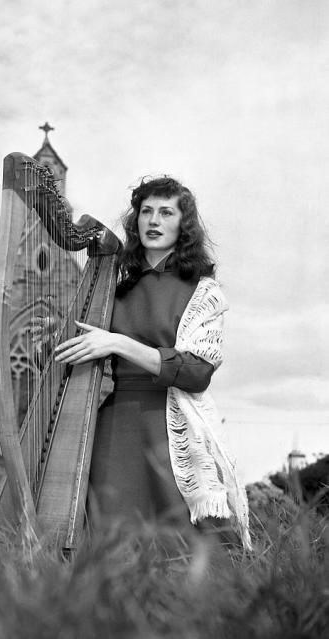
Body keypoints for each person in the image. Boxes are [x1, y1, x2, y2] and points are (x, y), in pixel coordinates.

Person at [55, 175, 251, 550]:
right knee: (113, 541)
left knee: (182, 545)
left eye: (166, 212)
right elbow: (83, 351)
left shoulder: (201, 291)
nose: (154, 221)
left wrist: (118, 343)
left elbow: (197, 373)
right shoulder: (114, 286)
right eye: (146, 212)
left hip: (170, 424)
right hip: (115, 426)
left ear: (183, 224)